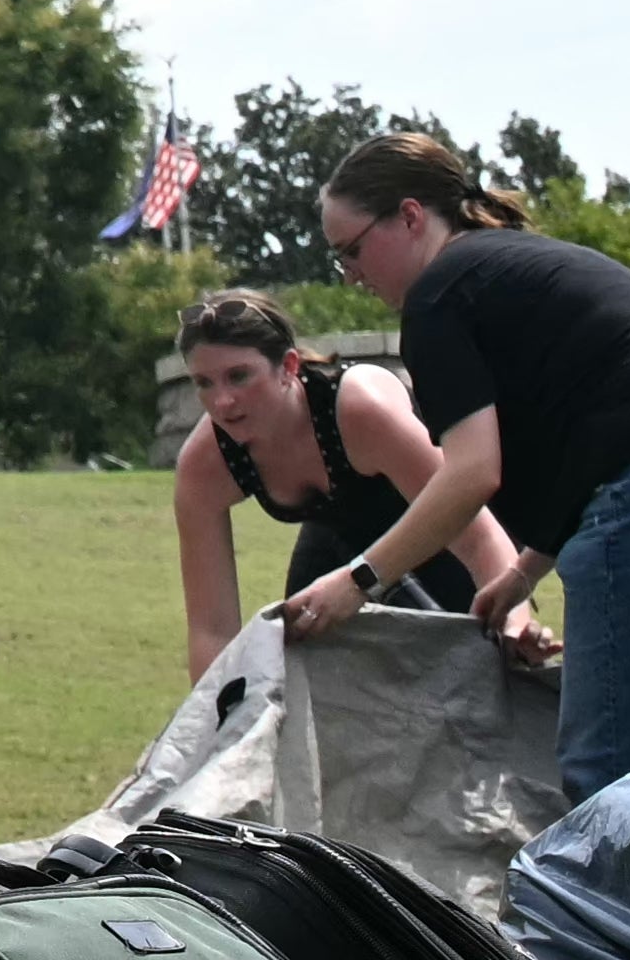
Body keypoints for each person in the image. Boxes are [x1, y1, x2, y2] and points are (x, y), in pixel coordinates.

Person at [279, 132, 630, 805]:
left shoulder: (440, 295)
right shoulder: (521, 264)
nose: (350, 273)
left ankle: (619, 911)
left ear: (409, 216)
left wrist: (359, 579)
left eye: (352, 250)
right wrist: (524, 570)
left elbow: (470, 473)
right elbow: (603, 420)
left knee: (617, 788)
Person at [164, 287, 537, 685]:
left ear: (288, 366)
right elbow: (212, 630)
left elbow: (479, 540)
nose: (222, 402)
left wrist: (515, 623)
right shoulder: (205, 463)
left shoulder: (359, 409)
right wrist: (216, 728)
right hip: (337, 541)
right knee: (301, 671)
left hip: (442, 536)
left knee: (480, 680)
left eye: (238, 376)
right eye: (204, 383)